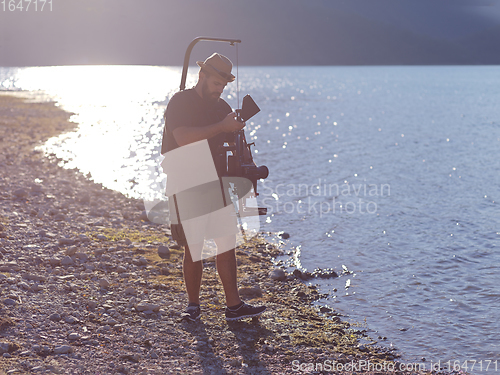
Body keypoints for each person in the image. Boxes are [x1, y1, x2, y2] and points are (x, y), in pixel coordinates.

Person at [161, 52, 266, 322]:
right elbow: (183, 137)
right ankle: (193, 307)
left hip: (217, 181)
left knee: (226, 244)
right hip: (186, 180)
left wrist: (249, 173)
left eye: (224, 85)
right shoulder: (180, 102)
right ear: (202, 76)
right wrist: (221, 126)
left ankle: (234, 306)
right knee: (193, 246)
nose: (220, 89)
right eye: (216, 83)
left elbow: (236, 143)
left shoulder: (222, 107)